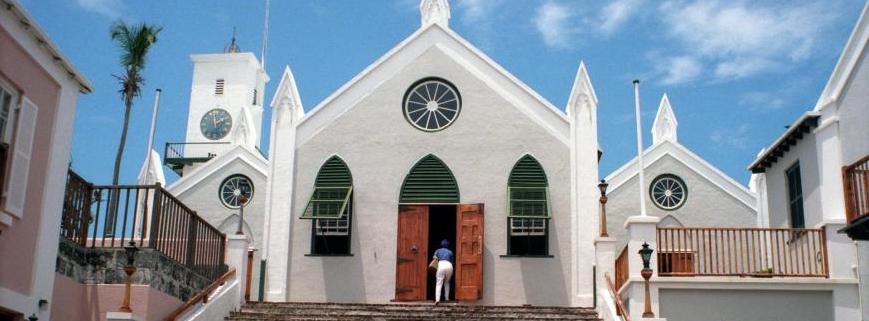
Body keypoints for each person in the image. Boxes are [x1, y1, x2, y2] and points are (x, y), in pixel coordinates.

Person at [432, 239, 454, 304]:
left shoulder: (438, 250)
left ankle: (437, 299)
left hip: (441, 264)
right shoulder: (450, 252)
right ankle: (447, 298)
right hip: (449, 265)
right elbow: (452, 262)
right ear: (448, 245)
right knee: (447, 282)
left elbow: (434, 257)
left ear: (441, 245)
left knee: (439, 283)